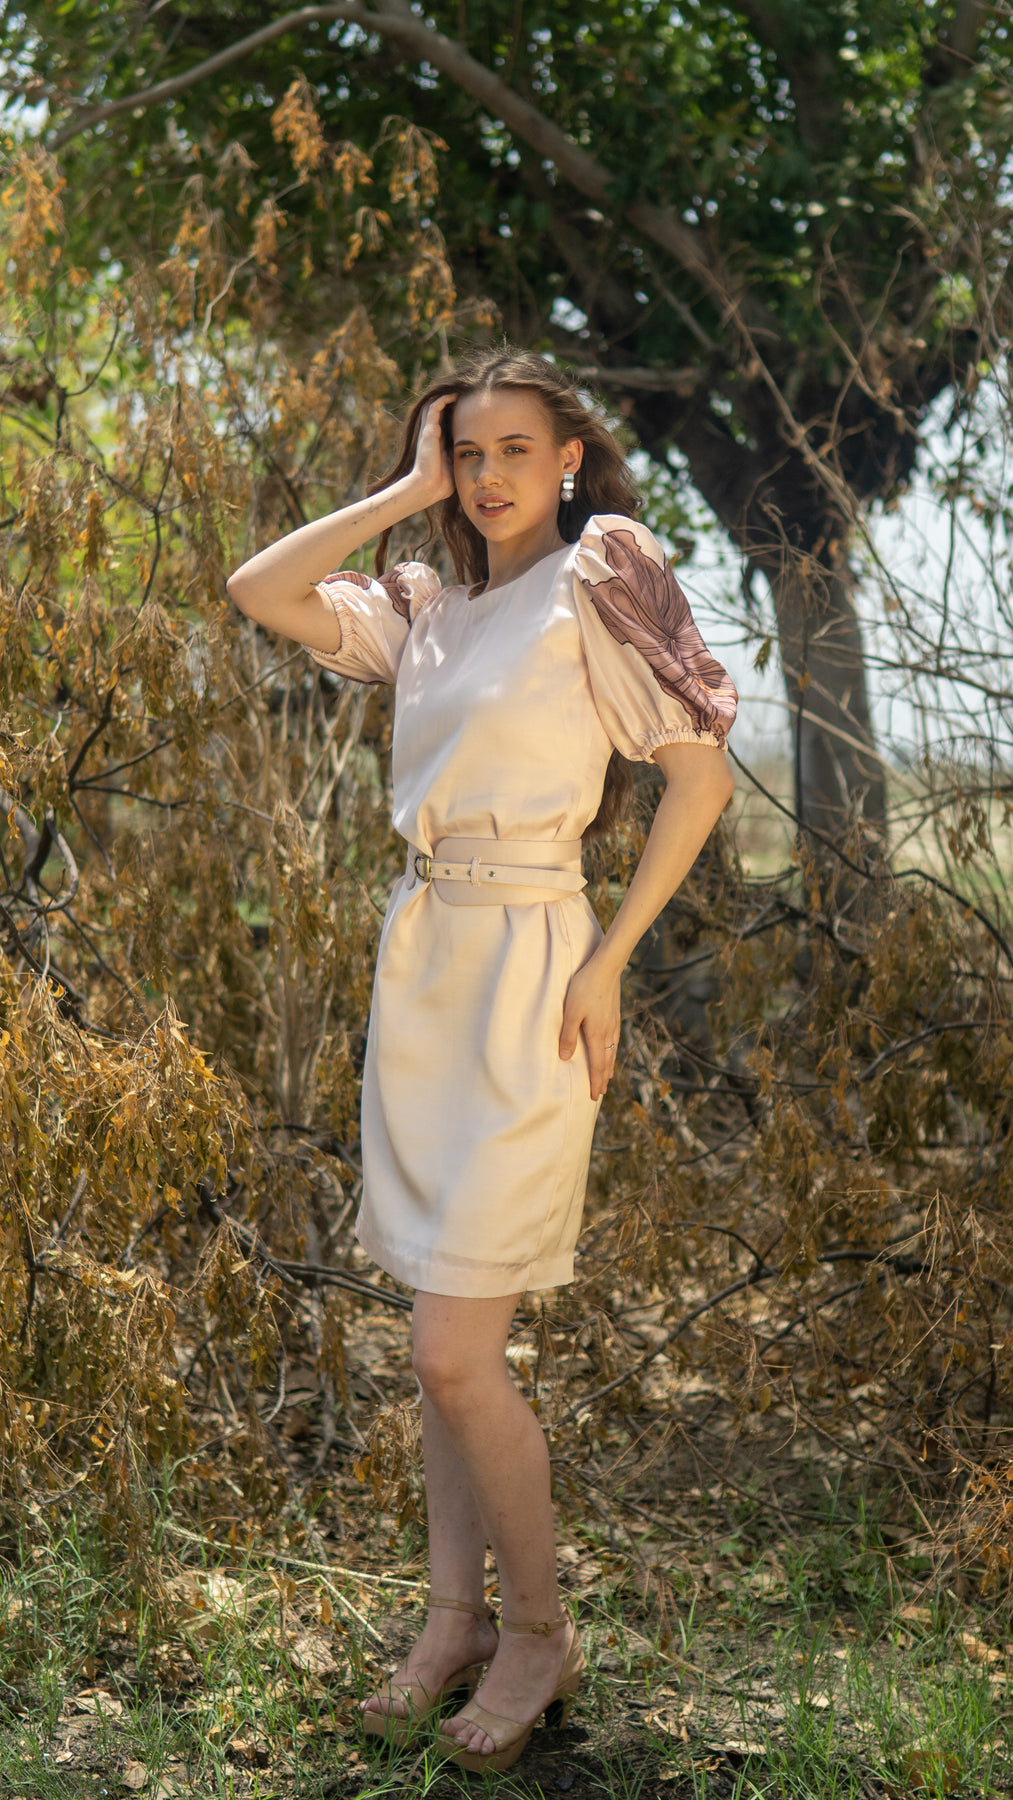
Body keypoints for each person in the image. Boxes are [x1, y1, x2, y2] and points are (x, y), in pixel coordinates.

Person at [227, 347, 737, 1774]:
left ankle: (535, 1631)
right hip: (424, 966)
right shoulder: (428, 609)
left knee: (455, 1355)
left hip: (533, 965)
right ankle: (450, 1621)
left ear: (569, 456)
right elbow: (260, 589)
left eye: (517, 448)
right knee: (438, 1349)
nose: (491, 474)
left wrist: (606, 960)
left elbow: (698, 775)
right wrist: (406, 490)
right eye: (468, 452)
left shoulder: (599, 573)